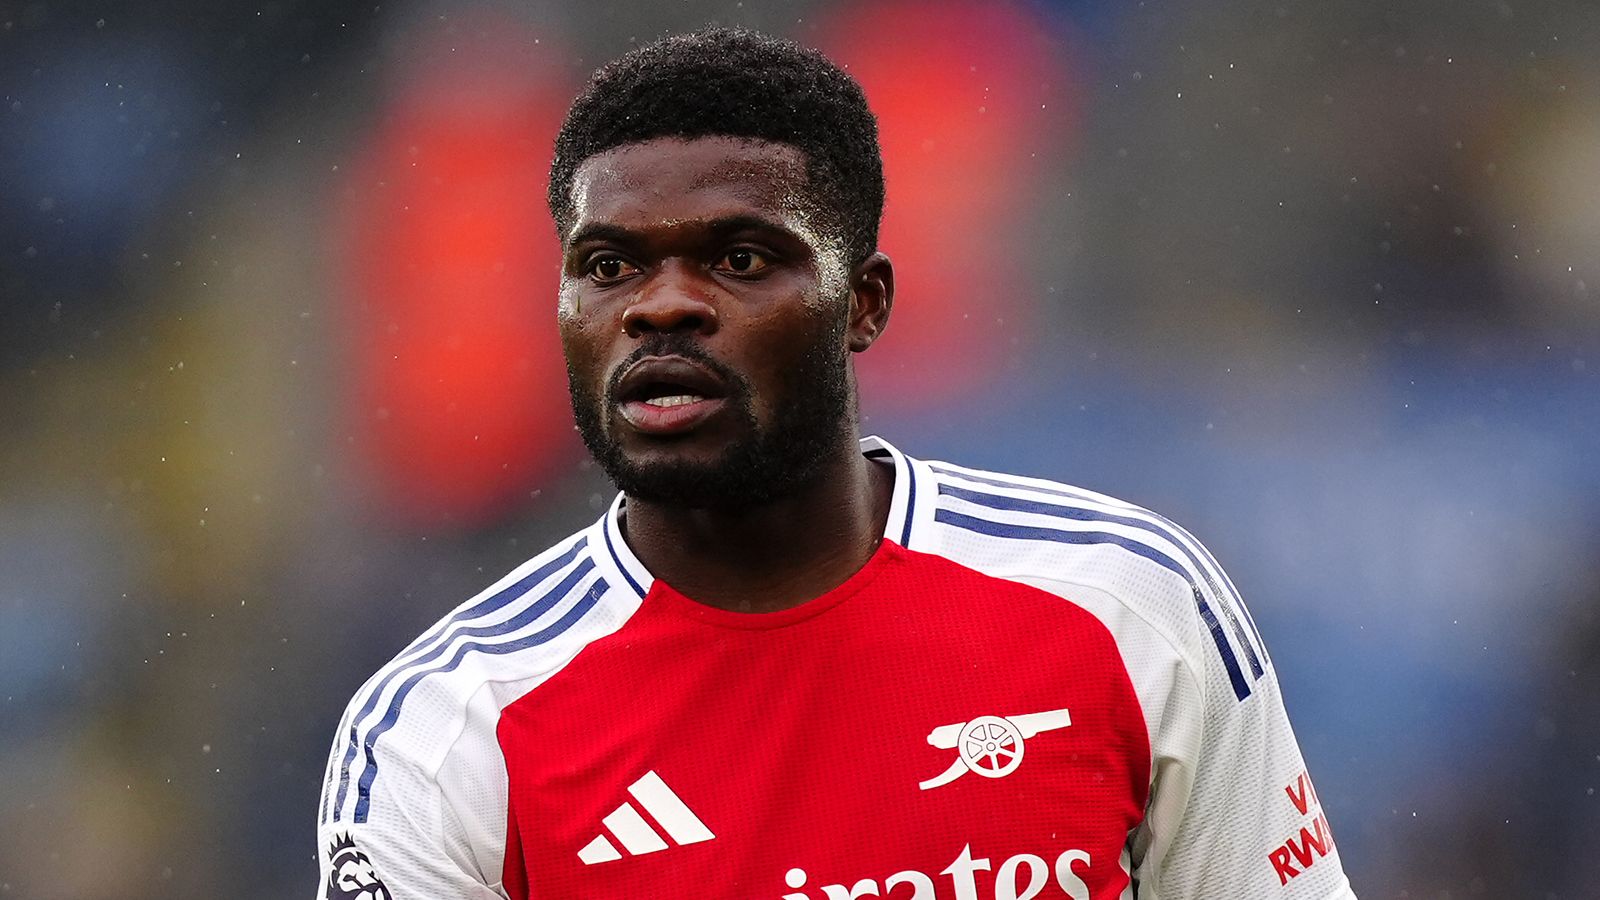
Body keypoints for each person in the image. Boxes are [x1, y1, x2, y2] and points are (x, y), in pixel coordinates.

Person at [315, 27, 1356, 900]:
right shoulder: (448, 732)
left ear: (864, 303)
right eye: (608, 266)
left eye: (738, 258)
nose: (659, 304)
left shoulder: (1128, 605)